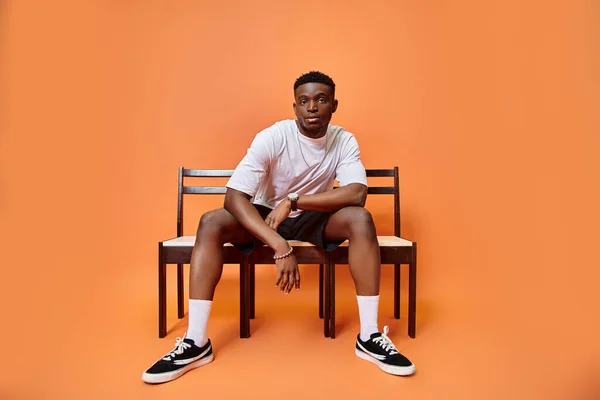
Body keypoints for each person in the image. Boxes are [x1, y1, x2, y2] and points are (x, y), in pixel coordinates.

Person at [142, 71, 415, 384]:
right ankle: (196, 342)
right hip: (266, 217)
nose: (312, 107)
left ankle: (368, 337)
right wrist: (279, 245)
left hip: (313, 216)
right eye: (304, 101)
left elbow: (356, 193)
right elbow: (234, 197)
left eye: (321, 99)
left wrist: (295, 201)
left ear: (334, 105)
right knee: (211, 221)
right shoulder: (273, 136)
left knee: (360, 218)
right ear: (295, 107)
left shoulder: (343, 139)